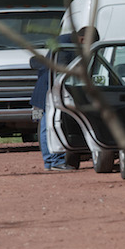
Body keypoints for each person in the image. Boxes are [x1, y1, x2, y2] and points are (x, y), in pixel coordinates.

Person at [30, 26, 99, 171]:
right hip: (51, 88)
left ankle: (51, 162)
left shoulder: (65, 41)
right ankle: (55, 161)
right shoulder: (66, 44)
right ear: (83, 40)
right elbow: (61, 69)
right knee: (51, 124)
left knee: (48, 125)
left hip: (50, 87)